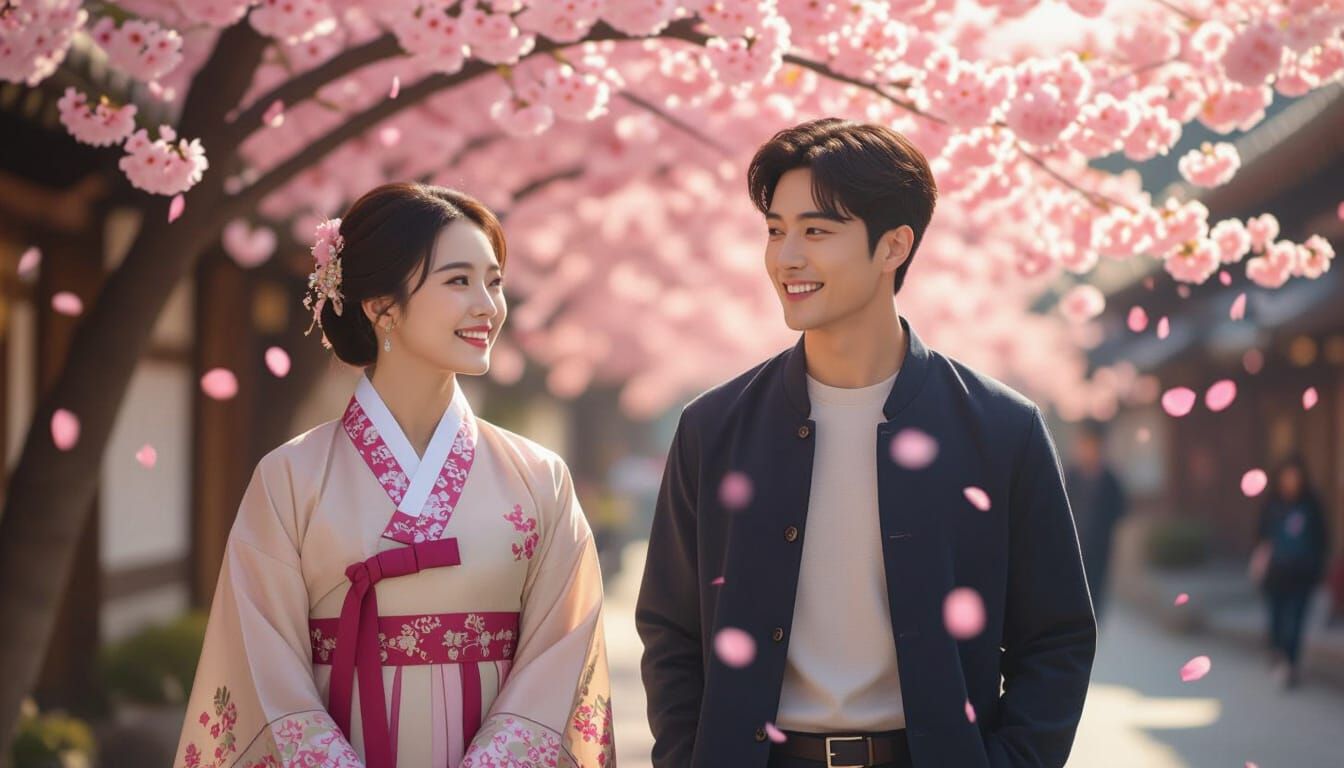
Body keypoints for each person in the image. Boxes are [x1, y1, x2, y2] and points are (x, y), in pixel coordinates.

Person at [636, 119, 1095, 768]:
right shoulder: (714, 428)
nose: (786, 256)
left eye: (816, 231)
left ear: (893, 247)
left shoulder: (1001, 429)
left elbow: (1056, 638)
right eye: (775, 230)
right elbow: (670, 631)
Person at [173, 183, 613, 768]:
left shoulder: (540, 479)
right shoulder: (289, 478)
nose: (487, 305)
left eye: (494, 281)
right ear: (381, 306)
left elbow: (560, 654)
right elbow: (263, 666)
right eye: (459, 281)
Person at [1254, 454, 1329, 689]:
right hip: (1276, 573)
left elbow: (1321, 538)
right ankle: (1277, 654)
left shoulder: (1311, 505)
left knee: (1296, 621)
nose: (1291, 481)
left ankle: (1291, 665)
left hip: (1302, 573)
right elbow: (1262, 536)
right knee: (1277, 619)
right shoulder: (1273, 504)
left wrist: (1318, 566)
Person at [1064, 421, 1127, 620]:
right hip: (1072, 548)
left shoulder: (1110, 479)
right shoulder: (1070, 476)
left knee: (1096, 591)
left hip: (1100, 547)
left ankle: (1092, 626)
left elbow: (1120, 511)